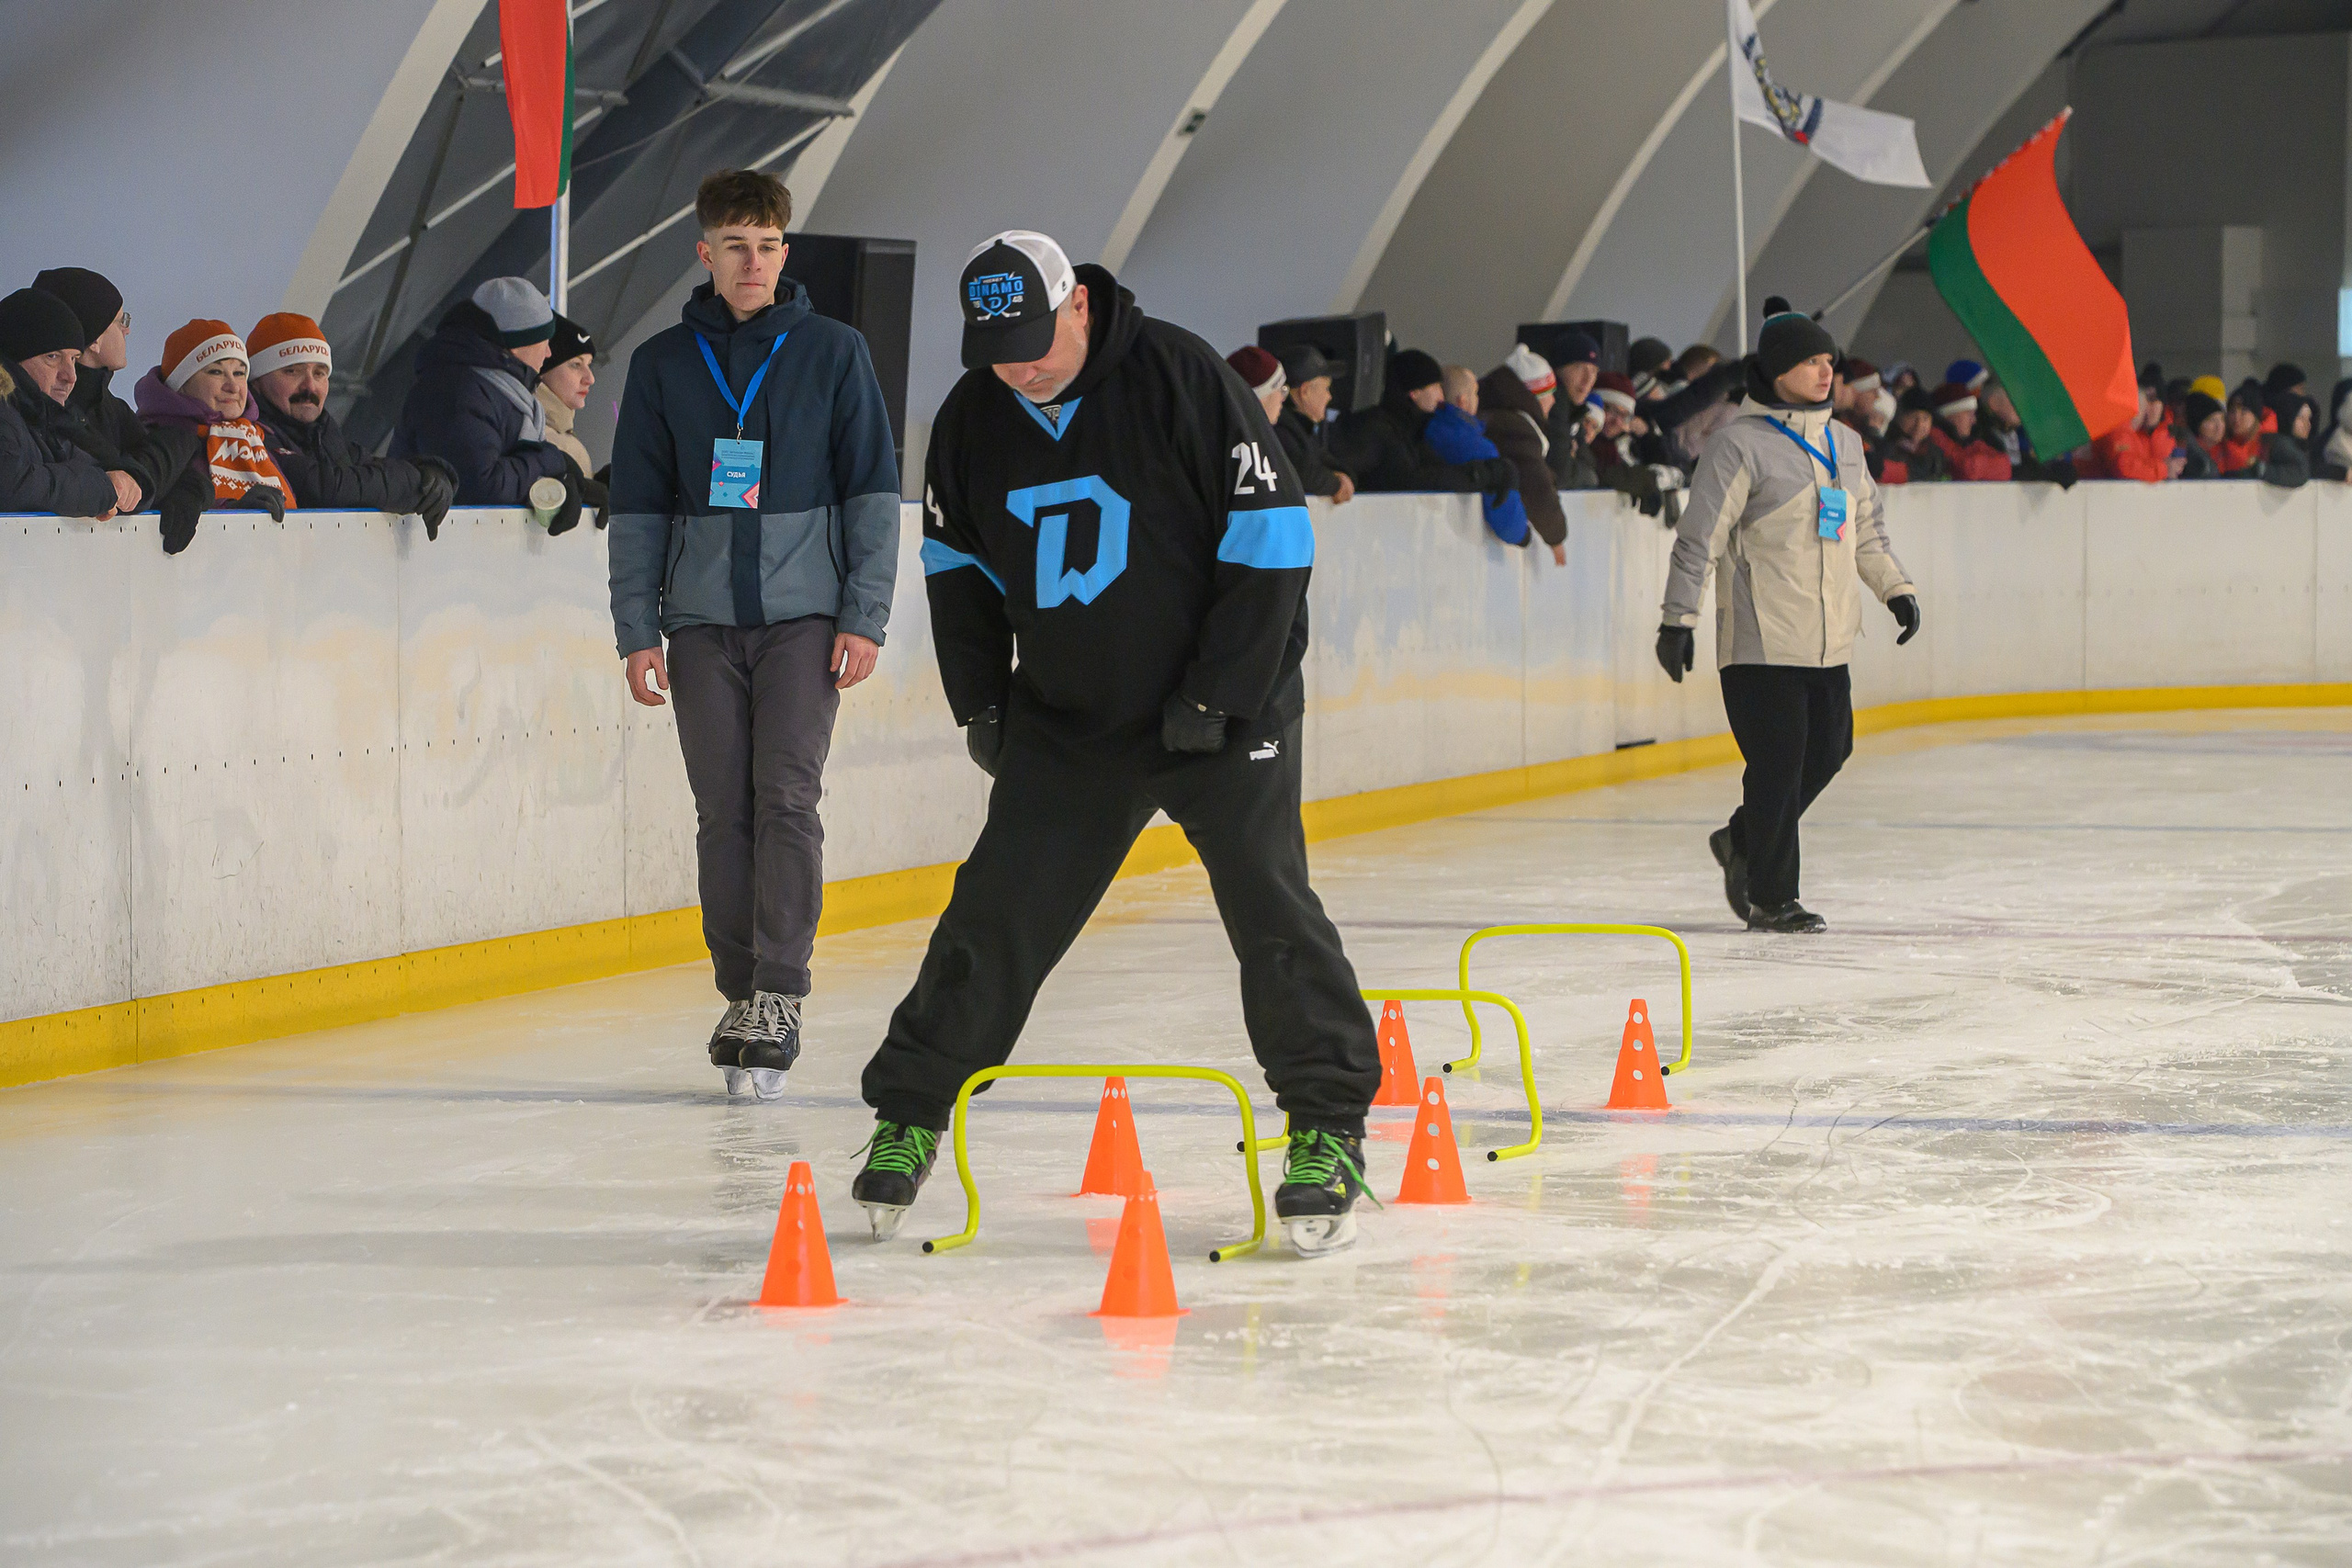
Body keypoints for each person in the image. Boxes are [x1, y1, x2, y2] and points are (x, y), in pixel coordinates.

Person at [854, 229, 1381, 1256]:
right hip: (1068, 714)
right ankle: (909, 1112)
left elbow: (1272, 543)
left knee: (1269, 903)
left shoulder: (1181, 376)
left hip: (1224, 709)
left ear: (1080, 306)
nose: (1019, 362)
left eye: (1035, 338)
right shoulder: (973, 417)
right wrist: (981, 700)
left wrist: (1221, 694)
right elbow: (956, 566)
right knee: (997, 913)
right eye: (997, 345)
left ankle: (1327, 1125)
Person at [608, 166, 900, 1100]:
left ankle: (780, 990)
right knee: (720, 812)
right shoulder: (661, 365)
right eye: (735, 245)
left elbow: (871, 490)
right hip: (698, 623)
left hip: (803, 620)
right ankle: (738, 991)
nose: (753, 261)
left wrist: (864, 614)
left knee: (784, 800)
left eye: (768, 245)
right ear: (705, 253)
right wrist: (636, 630)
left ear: (785, 252)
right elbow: (640, 505)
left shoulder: (834, 352)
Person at [1657, 305, 1919, 933]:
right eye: (1811, 361)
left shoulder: (1845, 443)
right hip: (1760, 641)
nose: (1826, 371)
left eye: (1830, 361)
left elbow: (1866, 530)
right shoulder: (1737, 446)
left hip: (1828, 641)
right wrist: (1677, 620)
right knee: (1777, 764)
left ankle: (1742, 836)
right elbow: (1699, 539)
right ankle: (1773, 897)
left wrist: (1896, 590)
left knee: (1829, 749)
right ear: (1777, 371)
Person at [393, 276, 581, 528]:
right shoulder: (457, 391)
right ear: (518, 345)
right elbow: (480, 485)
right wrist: (549, 461)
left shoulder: (500, 392)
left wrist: (560, 482)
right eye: (544, 342)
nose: (548, 353)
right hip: (447, 554)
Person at [248, 313, 457, 535]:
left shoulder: (324, 434)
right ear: (257, 381)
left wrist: (433, 472)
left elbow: (371, 468)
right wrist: (415, 482)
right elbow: (324, 490)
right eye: (292, 371)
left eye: (319, 373)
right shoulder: (247, 434)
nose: (310, 387)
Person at [32, 266, 200, 517]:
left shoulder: (112, 407)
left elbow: (156, 476)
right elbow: (128, 486)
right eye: (121, 320)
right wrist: (180, 440)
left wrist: (190, 492)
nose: (127, 330)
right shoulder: (52, 404)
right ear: (96, 338)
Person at [134, 321, 295, 543]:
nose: (233, 386)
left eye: (239, 373)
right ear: (181, 384)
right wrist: (233, 511)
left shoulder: (260, 437)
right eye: (216, 371)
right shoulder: (155, 438)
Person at [0, 287, 132, 517]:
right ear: (13, 357)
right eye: (52, 357)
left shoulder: (42, 417)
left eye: (73, 359)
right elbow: (11, 487)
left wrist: (116, 485)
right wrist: (100, 490)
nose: (70, 376)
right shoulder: (7, 414)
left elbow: (99, 473)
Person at [1330, 348, 1514, 495]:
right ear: (1414, 392)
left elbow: (1435, 470)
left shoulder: (1412, 431)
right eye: (1436, 387)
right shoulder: (1377, 430)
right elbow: (1411, 480)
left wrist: (1485, 473)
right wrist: (1481, 474)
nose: (1442, 396)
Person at [1477, 344, 1569, 563]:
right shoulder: (1515, 429)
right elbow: (1537, 487)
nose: (1554, 402)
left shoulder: (1498, 417)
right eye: (1550, 394)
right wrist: (1556, 537)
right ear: (1535, 395)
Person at [1426, 365, 1530, 546]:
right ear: (1462, 401)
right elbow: (1506, 519)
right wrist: (1523, 534)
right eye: (1475, 393)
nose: (1478, 399)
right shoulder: (1479, 448)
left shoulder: (1425, 433)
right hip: (1461, 545)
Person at [1269, 344, 1353, 504]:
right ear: (1305, 391)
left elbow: (1328, 463)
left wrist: (1342, 478)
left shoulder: (1302, 429)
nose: (1329, 397)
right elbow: (1302, 473)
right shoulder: (1280, 428)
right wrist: (1336, 484)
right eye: (1326, 388)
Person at [2082, 368, 2173, 483]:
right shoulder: (2119, 431)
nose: (2150, 409)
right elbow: (2124, 467)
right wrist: (2164, 469)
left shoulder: (2129, 434)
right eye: (2148, 402)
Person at [1926, 382, 2013, 479]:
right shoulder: (1935, 440)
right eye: (1969, 414)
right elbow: (1968, 470)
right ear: (1949, 415)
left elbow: (2005, 467)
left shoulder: (1970, 443)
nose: (1974, 421)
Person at [1879, 388, 1948, 484]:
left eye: (1925, 418)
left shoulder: (1935, 452)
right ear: (1900, 417)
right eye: (1913, 417)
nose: (1919, 425)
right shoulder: (1886, 447)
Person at [2175, 390, 2227, 479]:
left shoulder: (2216, 453)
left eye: (2221, 419)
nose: (2219, 426)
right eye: (2212, 420)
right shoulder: (2197, 461)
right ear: (2196, 425)